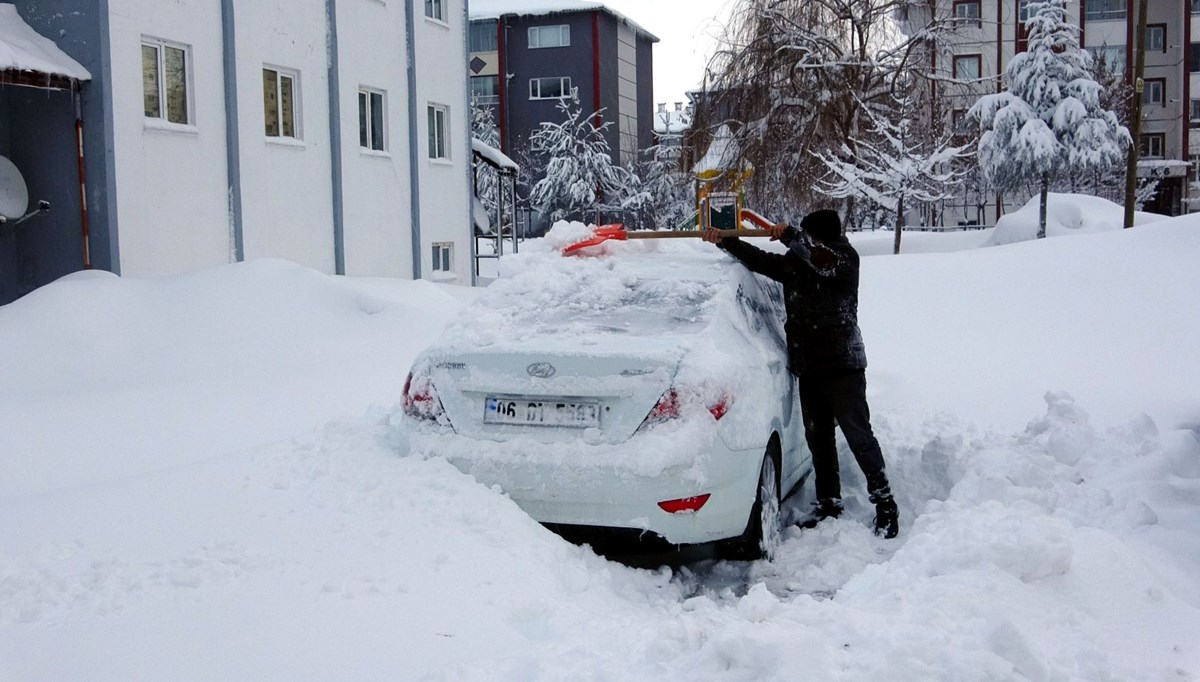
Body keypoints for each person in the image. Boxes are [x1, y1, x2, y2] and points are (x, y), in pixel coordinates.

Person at [702, 210, 899, 538]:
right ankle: (829, 504)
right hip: (809, 368)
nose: (803, 242)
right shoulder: (798, 264)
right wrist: (728, 242)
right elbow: (763, 261)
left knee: (859, 436)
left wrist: (792, 236)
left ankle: (885, 504)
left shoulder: (843, 259)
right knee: (818, 440)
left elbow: (820, 258)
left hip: (843, 368)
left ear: (819, 237)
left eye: (809, 236)